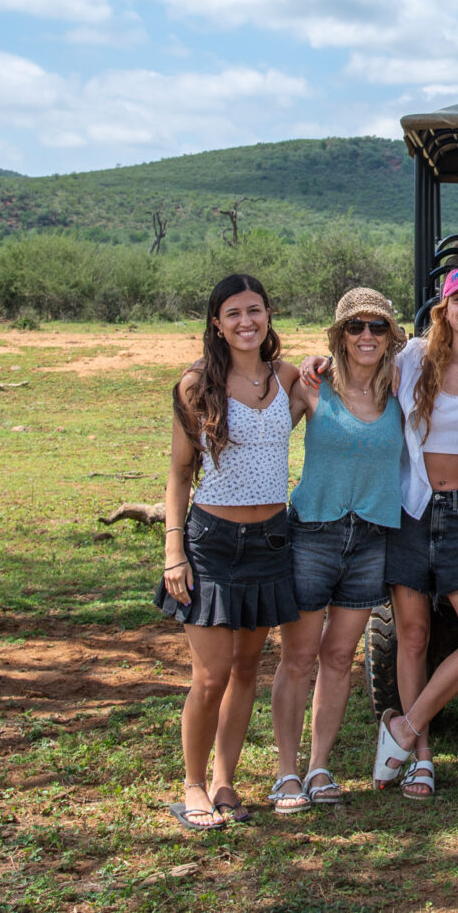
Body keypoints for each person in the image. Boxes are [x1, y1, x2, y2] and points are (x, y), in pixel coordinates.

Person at [304, 265, 458, 797]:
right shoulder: (412, 358)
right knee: (412, 636)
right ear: (445, 309)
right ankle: (422, 757)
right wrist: (320, 363)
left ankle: (404, 728)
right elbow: (360, 372)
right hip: (411, 509)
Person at [157, 274, 302, 830]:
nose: (247, 322)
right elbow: (178, 473)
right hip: (212, 543)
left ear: (269, 315)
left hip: (271, 539)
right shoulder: (197, 385)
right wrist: (175, 553)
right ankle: (192, 785)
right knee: (211, 675)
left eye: (256, 311)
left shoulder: (287, 378)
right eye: (234, 313)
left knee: (246, 669)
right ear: (216, 323)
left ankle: (224, 781)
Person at [268, 287, 408, 814]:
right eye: (356, 327)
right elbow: (263, 432)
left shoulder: (401, 386)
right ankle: (285, 771)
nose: (366, 336)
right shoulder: (312, 385)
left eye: (377, 327)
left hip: (371, 538)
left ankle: (320, 765)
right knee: (299, 656)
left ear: (390, 336)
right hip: (313, 534)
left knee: (338, 657)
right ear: (339, 335)